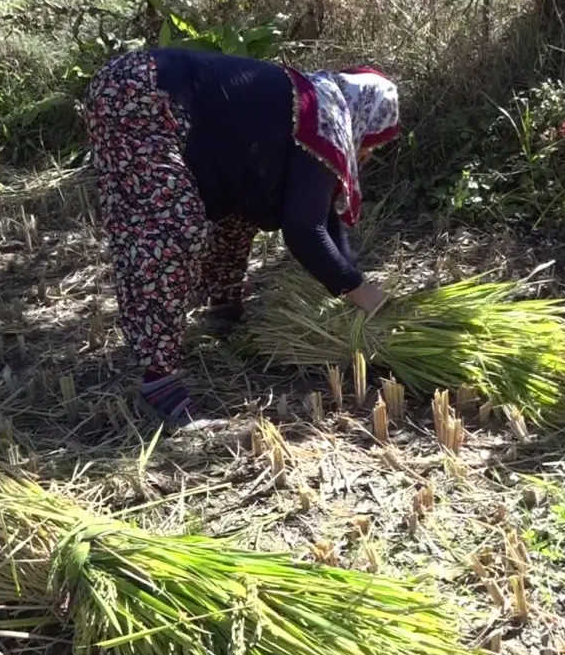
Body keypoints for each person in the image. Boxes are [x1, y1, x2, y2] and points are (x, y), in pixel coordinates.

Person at [83, 46, 400, 427]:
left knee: (237, 212)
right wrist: (365, 295)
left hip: (139, 85)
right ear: (368, 114)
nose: (367, 152)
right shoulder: (327, 119)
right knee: (168, 230)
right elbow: (304, 231)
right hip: (144, 91)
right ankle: (158, 382)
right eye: (375, 140)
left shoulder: (314, 105)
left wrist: (351, 276)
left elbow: (320, 215)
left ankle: (224, 307)